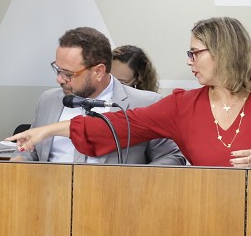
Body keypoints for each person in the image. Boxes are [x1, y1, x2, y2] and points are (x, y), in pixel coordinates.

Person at [9, 16, 251, 169]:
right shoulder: (183, 105)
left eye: (195, 53)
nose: (189, 61)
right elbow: (119, 125)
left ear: (223, 53)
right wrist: (48, 130)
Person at [16, 27, 183, 165]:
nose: (59, 79)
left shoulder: (145, 103)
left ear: (98, 71)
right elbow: (31, 149)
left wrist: (137, 183)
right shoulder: (48, 100)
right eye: (57, 69)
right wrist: (19, 160)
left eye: (67, 73)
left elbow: (172, 157)